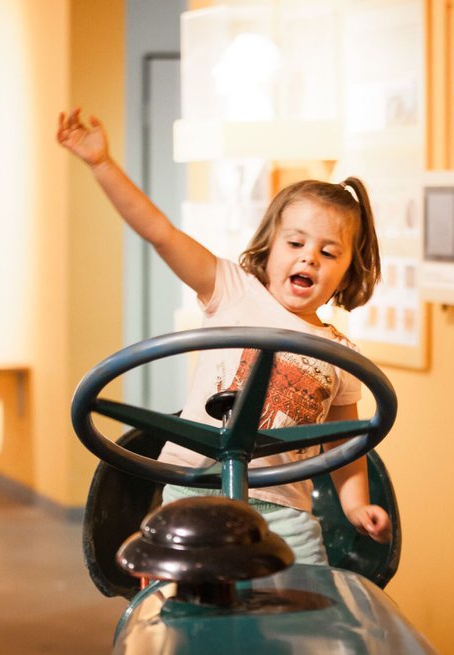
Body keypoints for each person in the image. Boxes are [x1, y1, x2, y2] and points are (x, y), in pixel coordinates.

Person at [56, 108, 391, 564]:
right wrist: (102, 165)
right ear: (270, 245)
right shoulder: (231, 291)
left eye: (328, 252)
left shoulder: (340, 354)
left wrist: (356, 505)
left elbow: (343, 441)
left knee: (307, 598)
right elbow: (160, 233)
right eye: (295, 244)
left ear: (348, 269)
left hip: (284, 510)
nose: (309, 258)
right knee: (187, 592)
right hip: (196, 489)